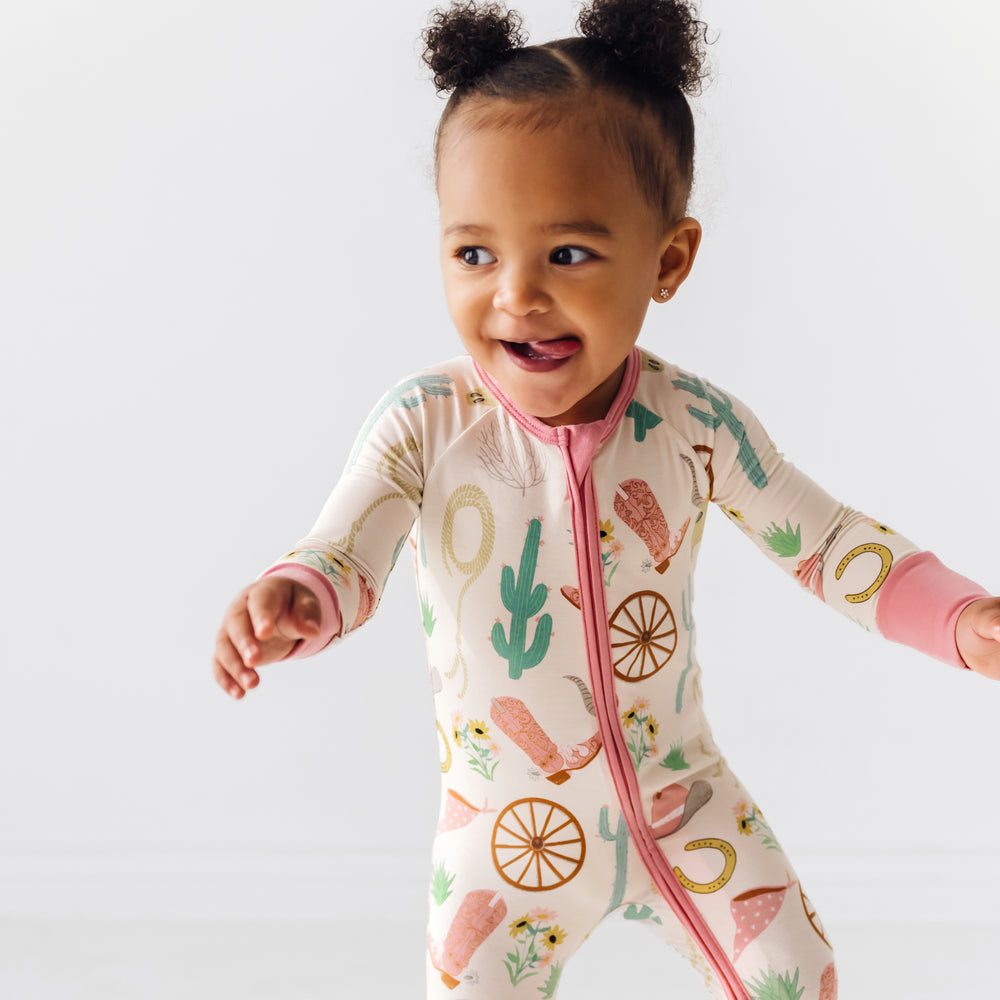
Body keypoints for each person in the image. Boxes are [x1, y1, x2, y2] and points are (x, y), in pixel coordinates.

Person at [211, 2, 1000, 997]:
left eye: (569, 254)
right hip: (504, 838)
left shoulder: (692, 424)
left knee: (795, 973)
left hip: (685, 805)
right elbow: (348, 547)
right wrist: (300, 596)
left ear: (667, 260)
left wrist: (962, 621)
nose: (515, 295)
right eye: (473, 253)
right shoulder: (424, 422)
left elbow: (828, 542)